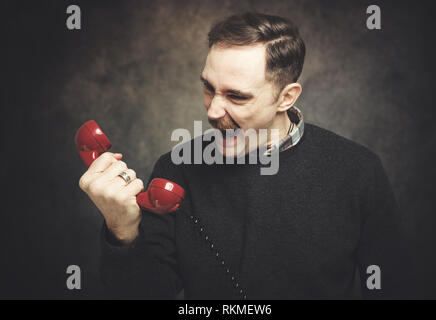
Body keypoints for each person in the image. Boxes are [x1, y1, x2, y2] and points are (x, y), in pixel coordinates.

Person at [79, 12, 411, 299]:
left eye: (236, 97)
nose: (213, 110)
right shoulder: (176, 168)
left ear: (285, 98)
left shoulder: (357, 172)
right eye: (208, 87)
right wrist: (122, 230)